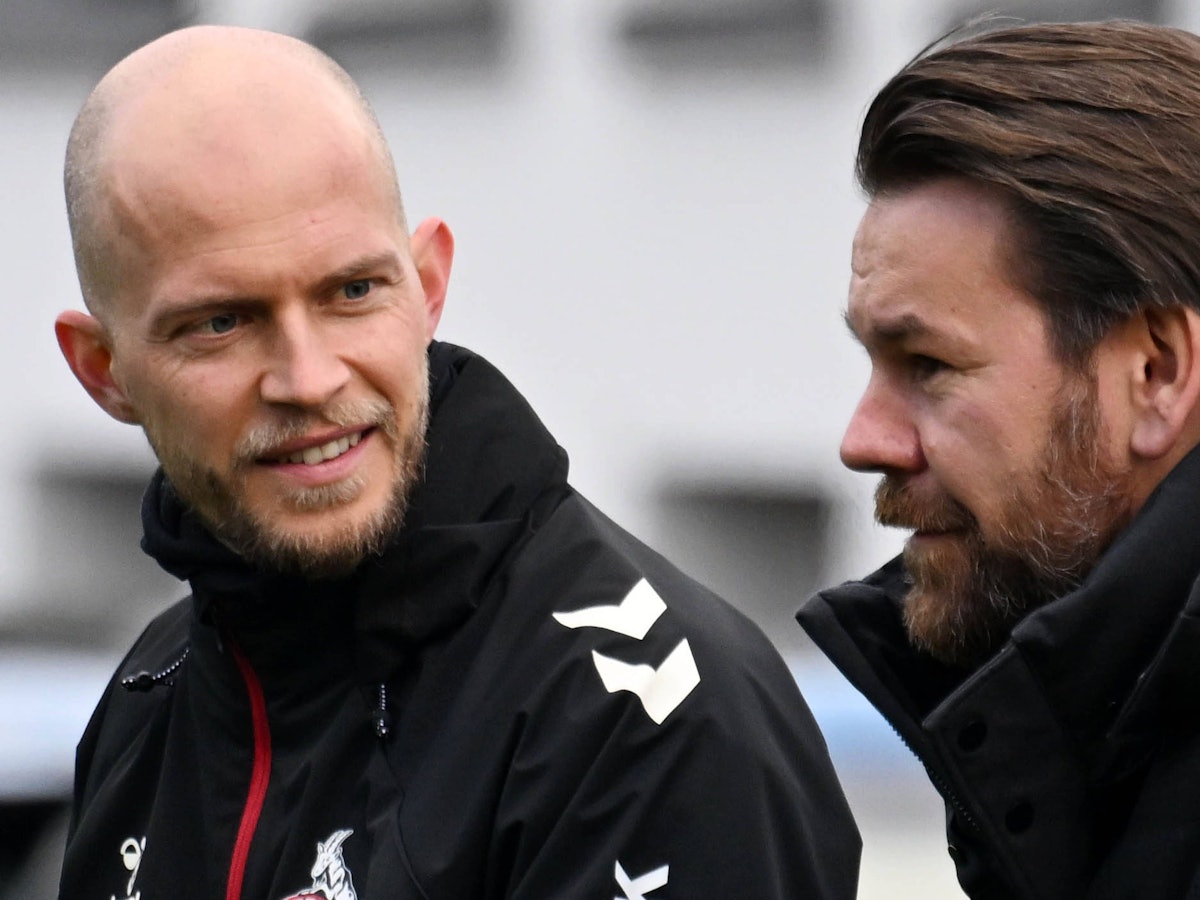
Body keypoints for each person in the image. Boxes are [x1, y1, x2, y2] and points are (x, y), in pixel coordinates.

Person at [52, 23, 859, 900]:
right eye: (222, 322)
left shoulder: (644, 721)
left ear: (429, 284)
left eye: (353, 292)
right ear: (104, 370)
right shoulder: (154, 693)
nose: (308, 378)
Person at [798, 18, 1200, 900]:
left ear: (1157, 372)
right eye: (873, 362)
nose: (863, 440)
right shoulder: (1088, 735)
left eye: (930, 366)